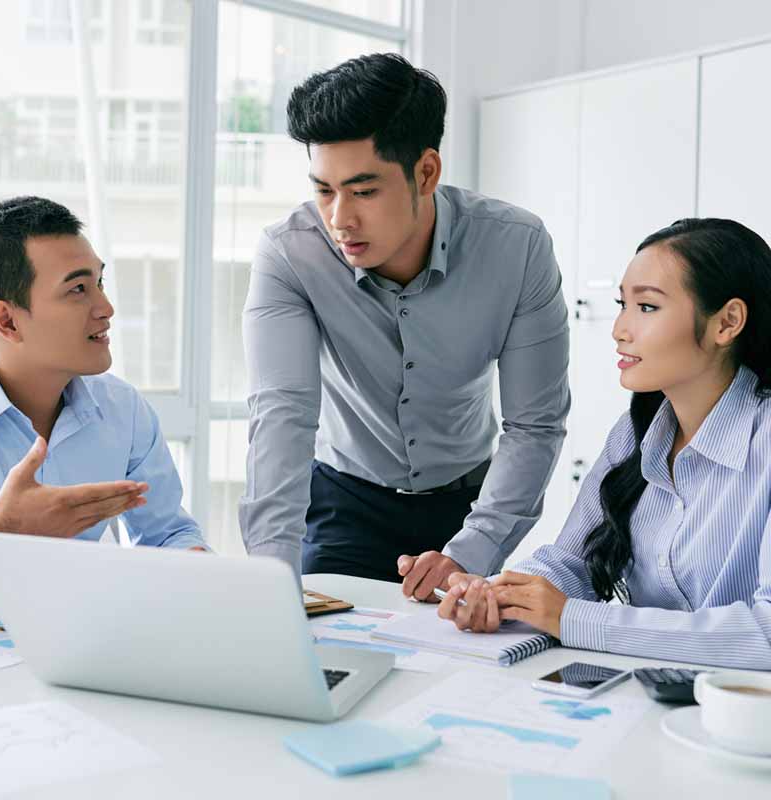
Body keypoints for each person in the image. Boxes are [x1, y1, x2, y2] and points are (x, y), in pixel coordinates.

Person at [239, 53, 570, 595]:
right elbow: (282, 414)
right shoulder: (290, 253)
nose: (339, 219)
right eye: (324, 190)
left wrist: (473, 548)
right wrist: (270, 576)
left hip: (469, 507)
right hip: (345, 501)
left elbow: (534, 424)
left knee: (458, 671)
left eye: (364, 191)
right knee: (321, 659)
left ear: (426, 172)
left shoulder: (517, 247)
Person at [437, 217, 771, 669]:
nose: (620, 329)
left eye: (647, 308)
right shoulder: (635, 432)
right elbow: (571, 563)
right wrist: (498, 594)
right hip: (647, 694)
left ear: (727, 322)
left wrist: (577, 619)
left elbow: (764, 634)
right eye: (622, 304)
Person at [0, 196, 207, 603]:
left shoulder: (123, 410)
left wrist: (202, 571)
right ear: (7, 321)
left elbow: (166, 533)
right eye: (78, 289)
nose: (106, 307)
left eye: (99, 282)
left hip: (86, 647)